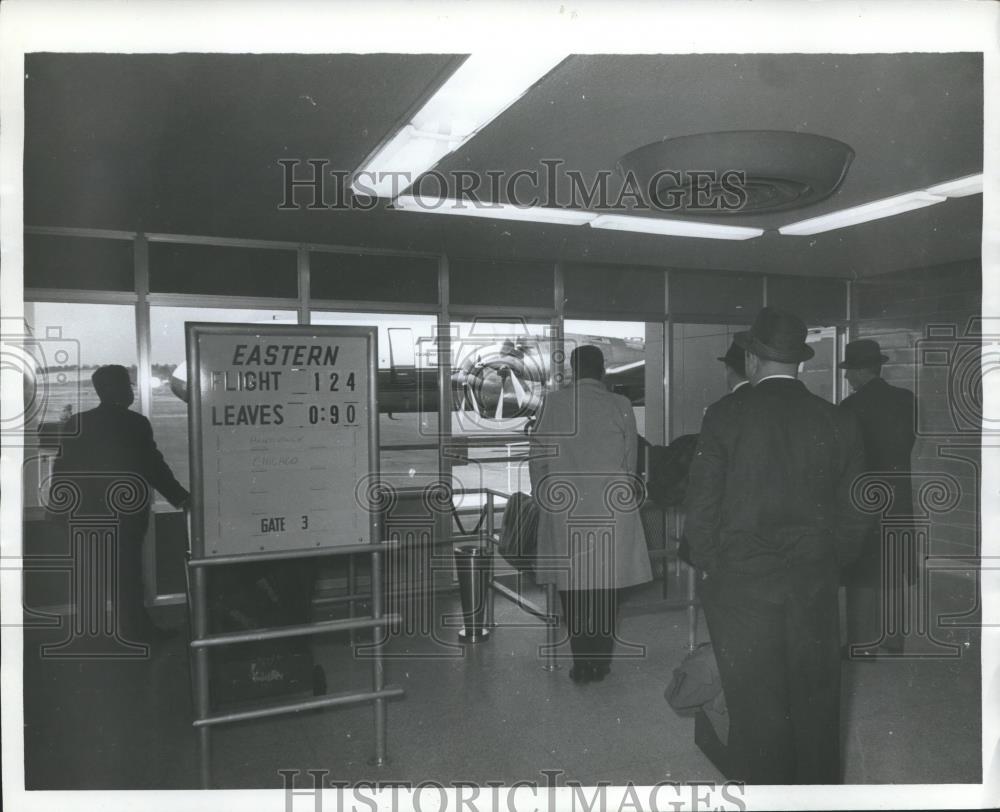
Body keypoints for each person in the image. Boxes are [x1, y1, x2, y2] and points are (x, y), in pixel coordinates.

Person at [684, 307, 869, 784]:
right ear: (799, 362)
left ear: (751, 360)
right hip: (813, 582)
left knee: (755, 706)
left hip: (743, 586)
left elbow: (701, 505)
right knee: (816, 701)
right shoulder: (836, 419)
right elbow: (858, 508)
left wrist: (711, 566)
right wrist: (832, 563)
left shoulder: (724, 416)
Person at [529, 345, 652, 683]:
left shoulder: (554, 404)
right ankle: (601, 660)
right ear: (603, 371)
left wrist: (545, 501)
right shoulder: (620, 405)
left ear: (573, 369)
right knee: (605, 587)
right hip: (610, 510)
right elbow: (630, 463)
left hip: (566, 509)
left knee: (573, 588)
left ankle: (582, 662)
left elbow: (538, 459)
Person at [51, 365, 190, 642]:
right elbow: (154, 467)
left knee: (94, 573)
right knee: (127, 575)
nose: (132, 390)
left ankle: (94, 635)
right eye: (127, 384)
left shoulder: (77, 422)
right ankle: (136, 631)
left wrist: (59, 509)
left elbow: (62, 469)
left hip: (86, 514)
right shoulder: (135, 424)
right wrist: (181, 497)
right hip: (125, 516)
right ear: (113, 389)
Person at [838, 339, 916, 656]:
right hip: (898, 495)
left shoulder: (849, 408)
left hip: (863, 498)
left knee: (862, 571)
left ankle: (862, 644)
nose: (846, 378)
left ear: (858, 372)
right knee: (893, 566)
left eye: (848, 372)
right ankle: (894, 639)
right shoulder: (905, 400)